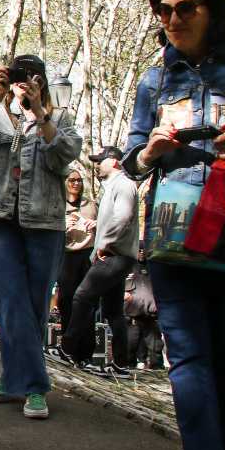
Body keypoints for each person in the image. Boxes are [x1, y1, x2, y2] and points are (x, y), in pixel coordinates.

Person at [122, 0, 225, 450]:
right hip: (171, 235)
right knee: (189, 361)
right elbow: (129, 161)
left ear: (211, 13)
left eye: (186, 8)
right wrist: (148, 153)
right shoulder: (154, 82)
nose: (173, 19)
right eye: (165, 10)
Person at [0, 53, 82, 420]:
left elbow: (64, 156)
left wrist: (39, 115)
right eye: (16, 75)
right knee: (10, 299)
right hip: (0, 218)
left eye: (29, 76)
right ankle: (35, 386)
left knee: (34, 303)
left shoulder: (58, 118)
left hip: (44, 221)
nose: (21, 82)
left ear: (40, 81)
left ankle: (12, 378)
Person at [59, 146, 138, 377]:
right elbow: (116, 218)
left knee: (82, 297)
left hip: (113, 255)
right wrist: (97, 226)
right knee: (113, 311)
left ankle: (67, 349)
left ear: (113, 162)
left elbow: (123, 218)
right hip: (117, 255)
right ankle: (121, 365)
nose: (97, 165)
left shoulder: (123, 184)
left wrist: (104, 243)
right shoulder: (113, 187)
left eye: (100, 161)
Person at [57, 165, 97, 335]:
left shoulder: (91, 205)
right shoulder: (58, 205)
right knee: (66, 299)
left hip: (88, 255)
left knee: (87, 299)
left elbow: (104, 228)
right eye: (72, 180)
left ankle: (87, 343)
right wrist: (63, 226)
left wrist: (96, 224)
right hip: (66, 256)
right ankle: (68, 340)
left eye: (79, 180)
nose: (76, 183)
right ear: (65, 182)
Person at [124, 245, 161, 370]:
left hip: (151, 314)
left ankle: (156, 367)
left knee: (155, 346)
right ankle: (128, 367)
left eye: (143, 250)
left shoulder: (153, 267)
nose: (141, 253)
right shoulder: (127, 265)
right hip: (132, 314)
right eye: (139, 250)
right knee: (130, 345)